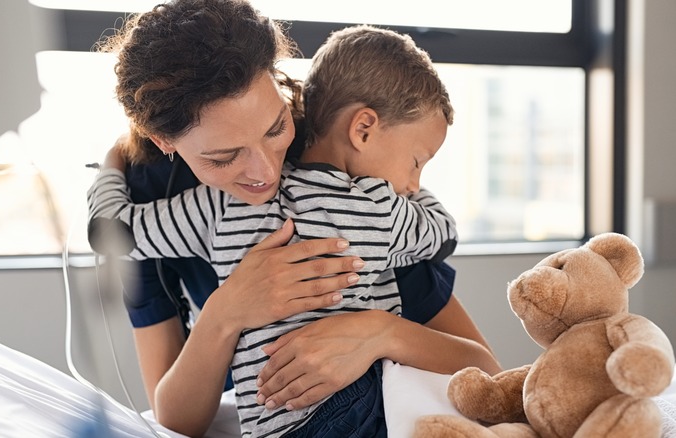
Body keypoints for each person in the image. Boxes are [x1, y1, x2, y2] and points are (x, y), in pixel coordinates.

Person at [89, 1, 501, 437]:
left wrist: (379, 332)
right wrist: (226, 311)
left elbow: (486, 370)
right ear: (163, 141)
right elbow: (174, 418)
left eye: (275, 129)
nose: (265, 173)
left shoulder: (352, 174)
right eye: (224, 157)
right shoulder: (152, 192)